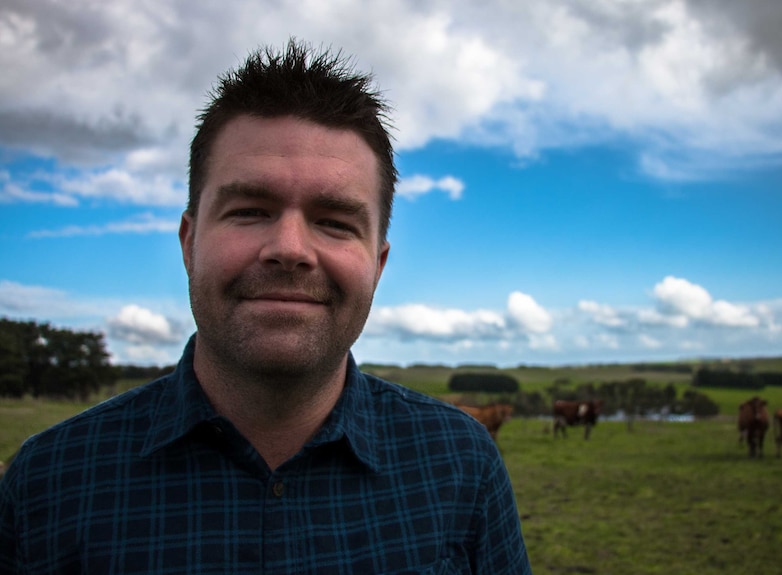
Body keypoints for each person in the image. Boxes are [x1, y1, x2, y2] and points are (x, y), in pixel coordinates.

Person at [0, 40, 532, 574]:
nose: (291, 250)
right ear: (189, 243)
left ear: (378, 264)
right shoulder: (45, 484)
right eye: (251, 210)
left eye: (334, 222)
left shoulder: (462, 464)